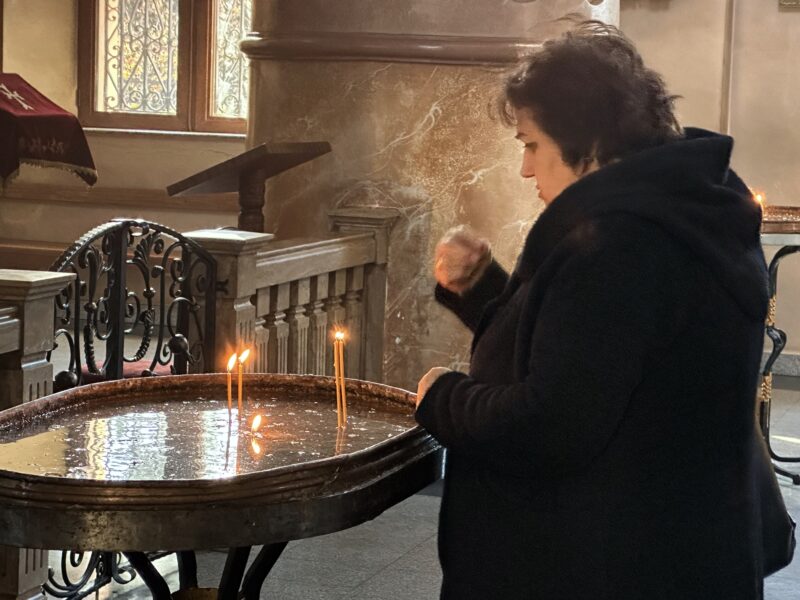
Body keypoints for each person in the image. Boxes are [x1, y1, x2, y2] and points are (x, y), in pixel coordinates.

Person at [414, 20, 773, 600]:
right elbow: (593, 355)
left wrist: (441, 397)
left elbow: (551, 425)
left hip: (607, 563)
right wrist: (482, 290)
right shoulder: (682, 211)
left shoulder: (621, 245)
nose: (526, 169)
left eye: (532, 145)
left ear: (591, 143)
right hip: (679, 550)